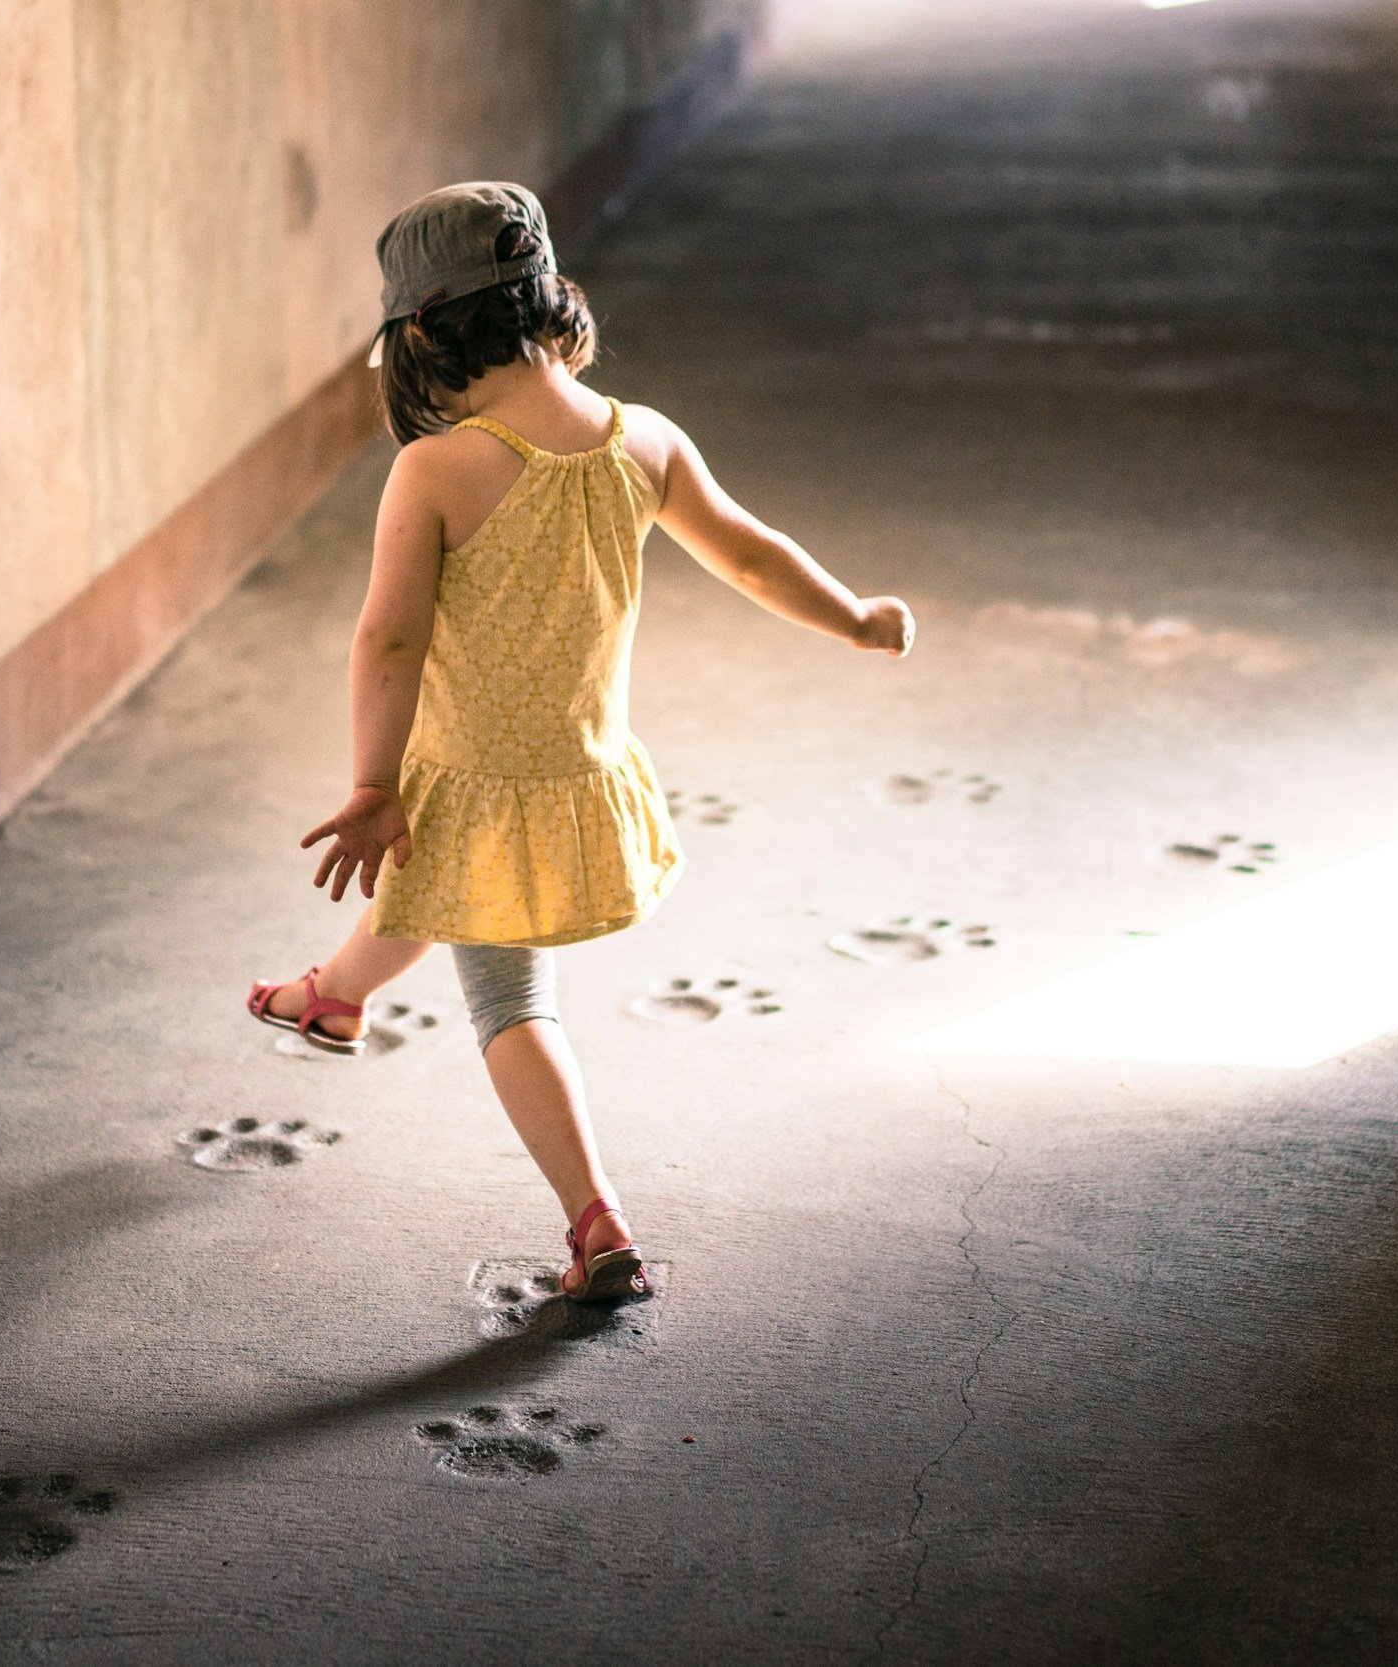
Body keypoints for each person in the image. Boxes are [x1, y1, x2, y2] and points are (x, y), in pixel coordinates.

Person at [248, 182, 913, 1302]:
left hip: (474, 785)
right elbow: (750, 552)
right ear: (551, 297)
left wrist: (372, 780)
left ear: (419, 336)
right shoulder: (641, 437)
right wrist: (853, 616)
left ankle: (596, 1221)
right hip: (580, 778)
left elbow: (391, 636)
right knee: (440, 892)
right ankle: (333, 994)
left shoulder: (438, 467)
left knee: (507, 1001)